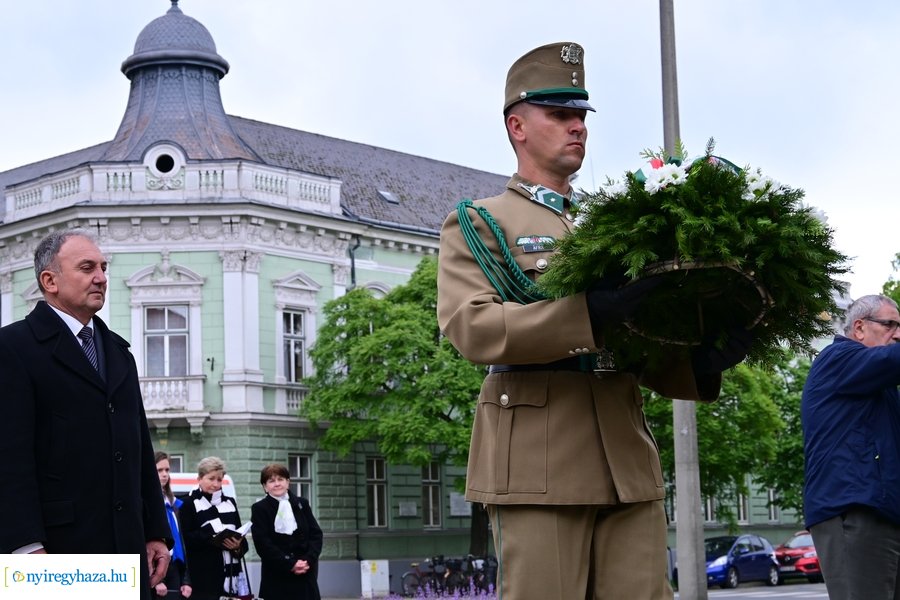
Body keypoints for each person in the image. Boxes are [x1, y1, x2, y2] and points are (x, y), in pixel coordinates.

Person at [436, 42, 751, 600]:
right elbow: (472, 328)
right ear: (517, 126)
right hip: (538, 462)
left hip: (625, 459)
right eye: (559, 114)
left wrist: (698, 364)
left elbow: (633, 341)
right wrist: (585, 314)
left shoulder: (611, 225)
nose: (577, 126)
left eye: (581, 115)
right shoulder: (481, 222)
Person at [0, 228, 171, 598]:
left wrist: (156, 531)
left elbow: (139, 448)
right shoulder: (13, 348)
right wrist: (25, 548)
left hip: (126, 551)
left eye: (103, 267)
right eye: (87, 267)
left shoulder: (119, 353)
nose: (101, 277)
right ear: (50, 281)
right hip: (54, 555)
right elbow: (9, 460)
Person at [802, 294, 900, 599]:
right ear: (859, 328)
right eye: (890, 324)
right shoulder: (837, 358)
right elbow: (892, 360)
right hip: (854, 510)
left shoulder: (880, 386)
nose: (898, 334)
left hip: (882, 511)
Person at [179, 457, 250, 600]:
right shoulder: (188, 503)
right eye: (211, 479)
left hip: (232, 576)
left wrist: (237, 546)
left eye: (219, 479)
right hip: (203, 578)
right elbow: (186, 539)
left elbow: (241, 536)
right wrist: (212, 535)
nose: (216, 484)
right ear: (199, 479)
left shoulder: (230, 502)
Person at [250, 463, 323, 600]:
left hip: (305, 574)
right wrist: (290, 564)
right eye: (271, 481)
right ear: (265, 486)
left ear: (288, 482)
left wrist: (307, 560)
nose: (277, 484)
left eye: (281, 479)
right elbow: (262, 543)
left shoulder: (302, 504)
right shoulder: (259, 508)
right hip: (277, 576)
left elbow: (316, 535)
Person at [155, 451, 193, 599]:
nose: (165, 474)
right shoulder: (146, 503)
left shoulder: (173, 504)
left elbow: (181, 542)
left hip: (175, 567)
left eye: (167, 470)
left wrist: (186, 580)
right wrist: (156, 578)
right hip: (157, 568)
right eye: (159, 470)